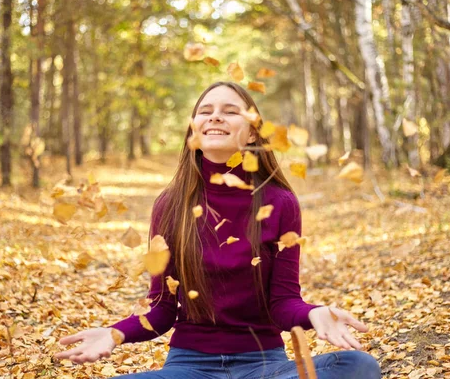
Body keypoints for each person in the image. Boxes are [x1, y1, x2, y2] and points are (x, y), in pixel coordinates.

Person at [55, 82, 382, 379]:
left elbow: (283, 304)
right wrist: (114, 333)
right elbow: (161, 309)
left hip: (264, 366)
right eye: (205, 112)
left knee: (357, 366)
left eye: (230, 111)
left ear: (253, 133)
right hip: (189, 367)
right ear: (193, 130)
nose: (215, 118)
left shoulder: (280, 202)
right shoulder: (170, 205)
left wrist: (314, 314)